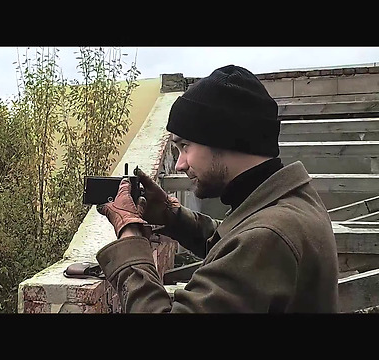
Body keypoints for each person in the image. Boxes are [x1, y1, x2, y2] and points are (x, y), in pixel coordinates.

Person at [95, 64, 339, 313]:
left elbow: (248, 245)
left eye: (185, 146)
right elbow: (235, 249)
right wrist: (173, 216)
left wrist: (130, 236)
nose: (180, 165)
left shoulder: (269, 235)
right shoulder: (290, 202)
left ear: (224, 138)